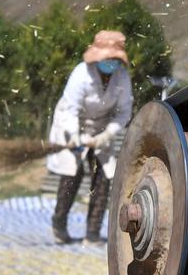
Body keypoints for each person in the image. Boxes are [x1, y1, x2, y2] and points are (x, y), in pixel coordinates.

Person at [47, 30, 133, 245]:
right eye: (108, 58)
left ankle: (92, 233)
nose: (111, 63)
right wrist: (74, 136)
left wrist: (107, 135)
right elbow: (70, 109)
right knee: (71, 175)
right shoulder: (81, 74)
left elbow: (124, 112)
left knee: (103, 178)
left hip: (102, 128)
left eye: (115, 59)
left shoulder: (122, 77)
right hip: (73, 125)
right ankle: (59, 226)